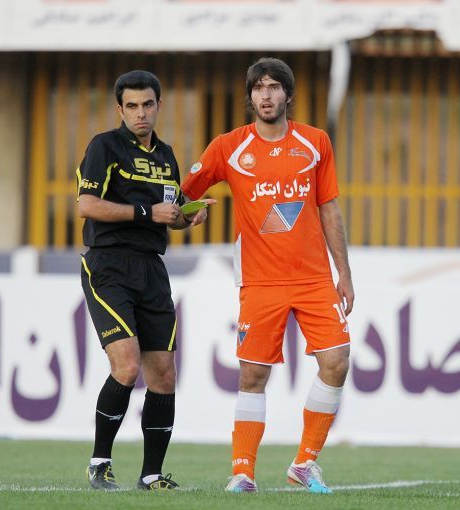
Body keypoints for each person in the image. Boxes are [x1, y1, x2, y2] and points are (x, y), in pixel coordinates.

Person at [181, 57, 354, 494]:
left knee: (336, 362)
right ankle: (243, 472)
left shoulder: (315, 142)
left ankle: (305, 463)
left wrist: (344, 274)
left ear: (288, 95)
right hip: (260, 282)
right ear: (250, 96)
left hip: (314, 279)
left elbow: (329, 209)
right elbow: (183, 197)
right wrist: (189, 214)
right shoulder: (228, 147)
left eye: (274, 86)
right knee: (253, 375)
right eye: (259, 87)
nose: (266, 94)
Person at [76, 70, 213, 491]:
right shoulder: (105, 146)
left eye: (147, 104)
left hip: (151, 268)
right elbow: (87, 205)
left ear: (159, 106)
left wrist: (187, 216)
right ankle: (99, 463)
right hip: (108, 264)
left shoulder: (166, 156)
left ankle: (151, 475)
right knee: (127, 365)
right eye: (132, 106)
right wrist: (146, 213)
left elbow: (168, 214)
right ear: (120, 108)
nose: (140, 113)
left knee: (164, 374)